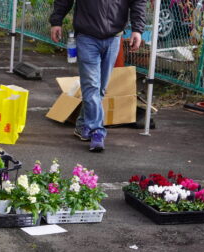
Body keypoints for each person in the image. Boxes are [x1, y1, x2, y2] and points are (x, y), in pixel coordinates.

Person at [50, 0, 144, 152]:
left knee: (99, 88)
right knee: (92, 85)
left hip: (113, 37)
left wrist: (137, 29)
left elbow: (137, 2)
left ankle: (82, 125)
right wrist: (56, 21)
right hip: (87, 37)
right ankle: (97, 131)